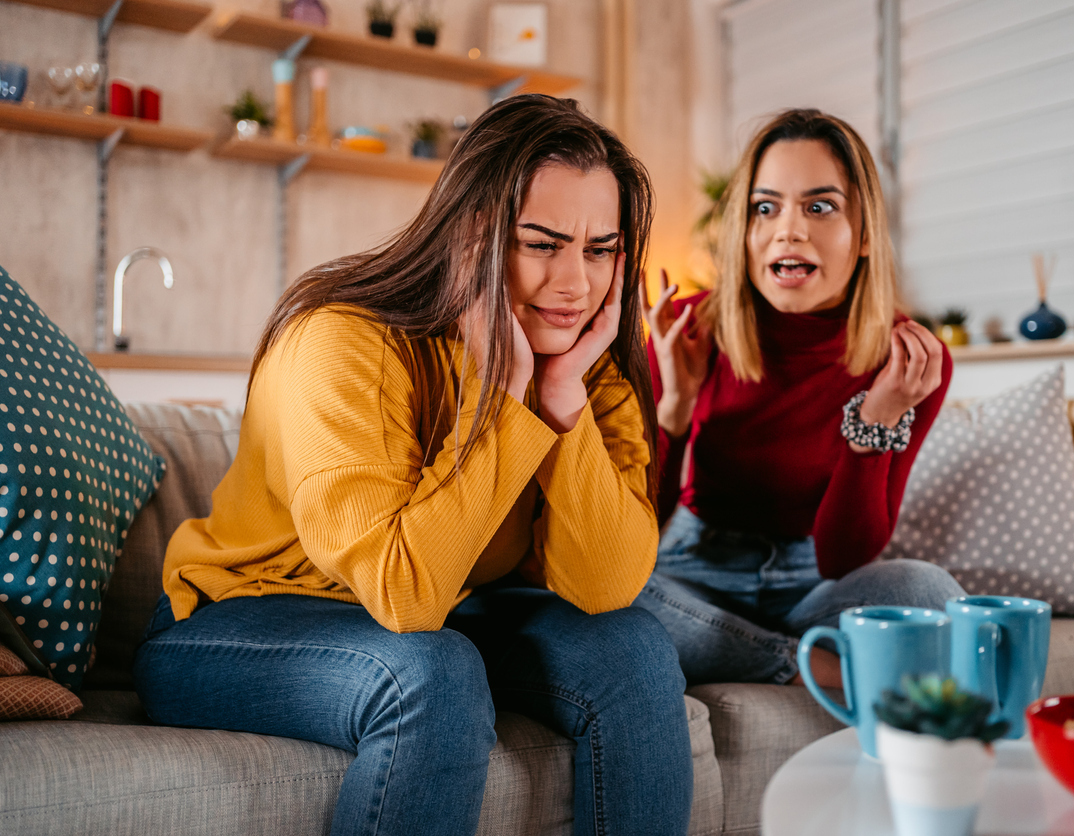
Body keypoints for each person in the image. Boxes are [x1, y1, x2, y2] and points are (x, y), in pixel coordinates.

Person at [133, 94, 692, 836]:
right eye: (543, 243)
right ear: (473, 238)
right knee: (430, 674)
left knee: (635, 647)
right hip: (234, 625)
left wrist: (560, 406)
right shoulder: (339, 342)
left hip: (441, 612)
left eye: (599, 250)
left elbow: (604, 584)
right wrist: (503, 396)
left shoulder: (588, 370)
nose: (575, 285)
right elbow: (405, 596)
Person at [634, 108, 964, 689]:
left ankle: (755, 654)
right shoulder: (689, 327)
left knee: (931, 594)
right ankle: (805, 666)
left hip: (813, 581)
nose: (789, 229)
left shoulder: (909, 360)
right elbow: (639, 529)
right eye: (767, 208)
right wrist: (673, 417)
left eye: (820, 206)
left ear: (863, 235)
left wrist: (874, 422)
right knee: (609, 597)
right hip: (693, 571)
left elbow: (844, 560)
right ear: (745, 230)